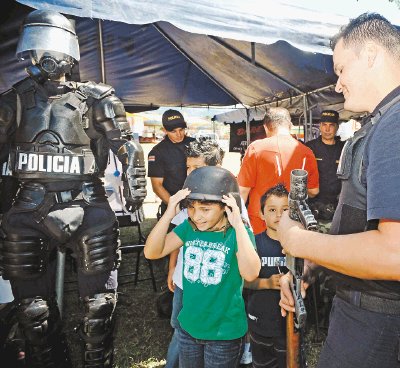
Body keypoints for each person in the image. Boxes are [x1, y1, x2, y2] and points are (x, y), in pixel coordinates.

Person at [0, 9, 147, 368]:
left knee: (99, 307)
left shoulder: (97, 98)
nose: (38, 57)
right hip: (29, 208)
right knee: (33, 312)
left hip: (87, 204)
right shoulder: (13, 100)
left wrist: (135, 182)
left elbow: (126, 144)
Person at [278, 13, 400, 368]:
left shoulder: (395, 125)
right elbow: (361, 224)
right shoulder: (383, 122)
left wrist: (299, 242)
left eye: (342, 69)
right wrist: (313, 264)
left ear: (372, 54)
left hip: (378, 321)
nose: (337, 84)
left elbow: (394, 254)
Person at [145, 166, 261, 368]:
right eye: (191, 208)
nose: (197, 216)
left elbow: (251, 273)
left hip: (224, 335)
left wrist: (239, 225)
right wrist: (168, 213)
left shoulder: (237, 234)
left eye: (205, 209)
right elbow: (152, 252)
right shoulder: (189, 228)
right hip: (188, 329)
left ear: (226, 206)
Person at [165, 138, 251, 368]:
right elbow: (177, 235)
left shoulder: (227, 202)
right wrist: (172, 268)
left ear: (216, 169)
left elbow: (245, 253)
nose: (191, 174)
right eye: (188, 168)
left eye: (198, 168)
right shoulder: (190, 200)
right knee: (180, 329)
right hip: (185, 282)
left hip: (215, 287)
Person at [238, 107, 319, 235]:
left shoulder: (256, 148)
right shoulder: (306, 152)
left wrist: (239, 222)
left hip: (260, 222)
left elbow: (242, 191)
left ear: (266, 127)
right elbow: (314, 191)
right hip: (293, 222)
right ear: (290, 125)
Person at [244, 184, 289, 368]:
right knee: (263, 363)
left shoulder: (299, 244)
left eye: (285, 209)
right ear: (262, 214)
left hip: (289, 324)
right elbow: (245, 282)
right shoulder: (254, 243)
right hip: (259, 320)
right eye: (272, 210)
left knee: (290, 361)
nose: (279, 215)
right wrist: (267, 283)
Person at [148, 109, 195, 217]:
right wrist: (176, 209)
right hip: (174, 205)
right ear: (164, 130)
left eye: (181, 129)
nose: (179, 134)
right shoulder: (157, 152)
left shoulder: (195, 144)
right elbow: (157, 186)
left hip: (198, 202)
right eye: (173, 131)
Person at [306, 110, 344, 231]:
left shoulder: (344, 149)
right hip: (315, 207)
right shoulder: (309, 148)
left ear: (337, 127)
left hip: (338, 207)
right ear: (320, 126)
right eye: (324, 125)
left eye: (331, 125)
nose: (327, 129)